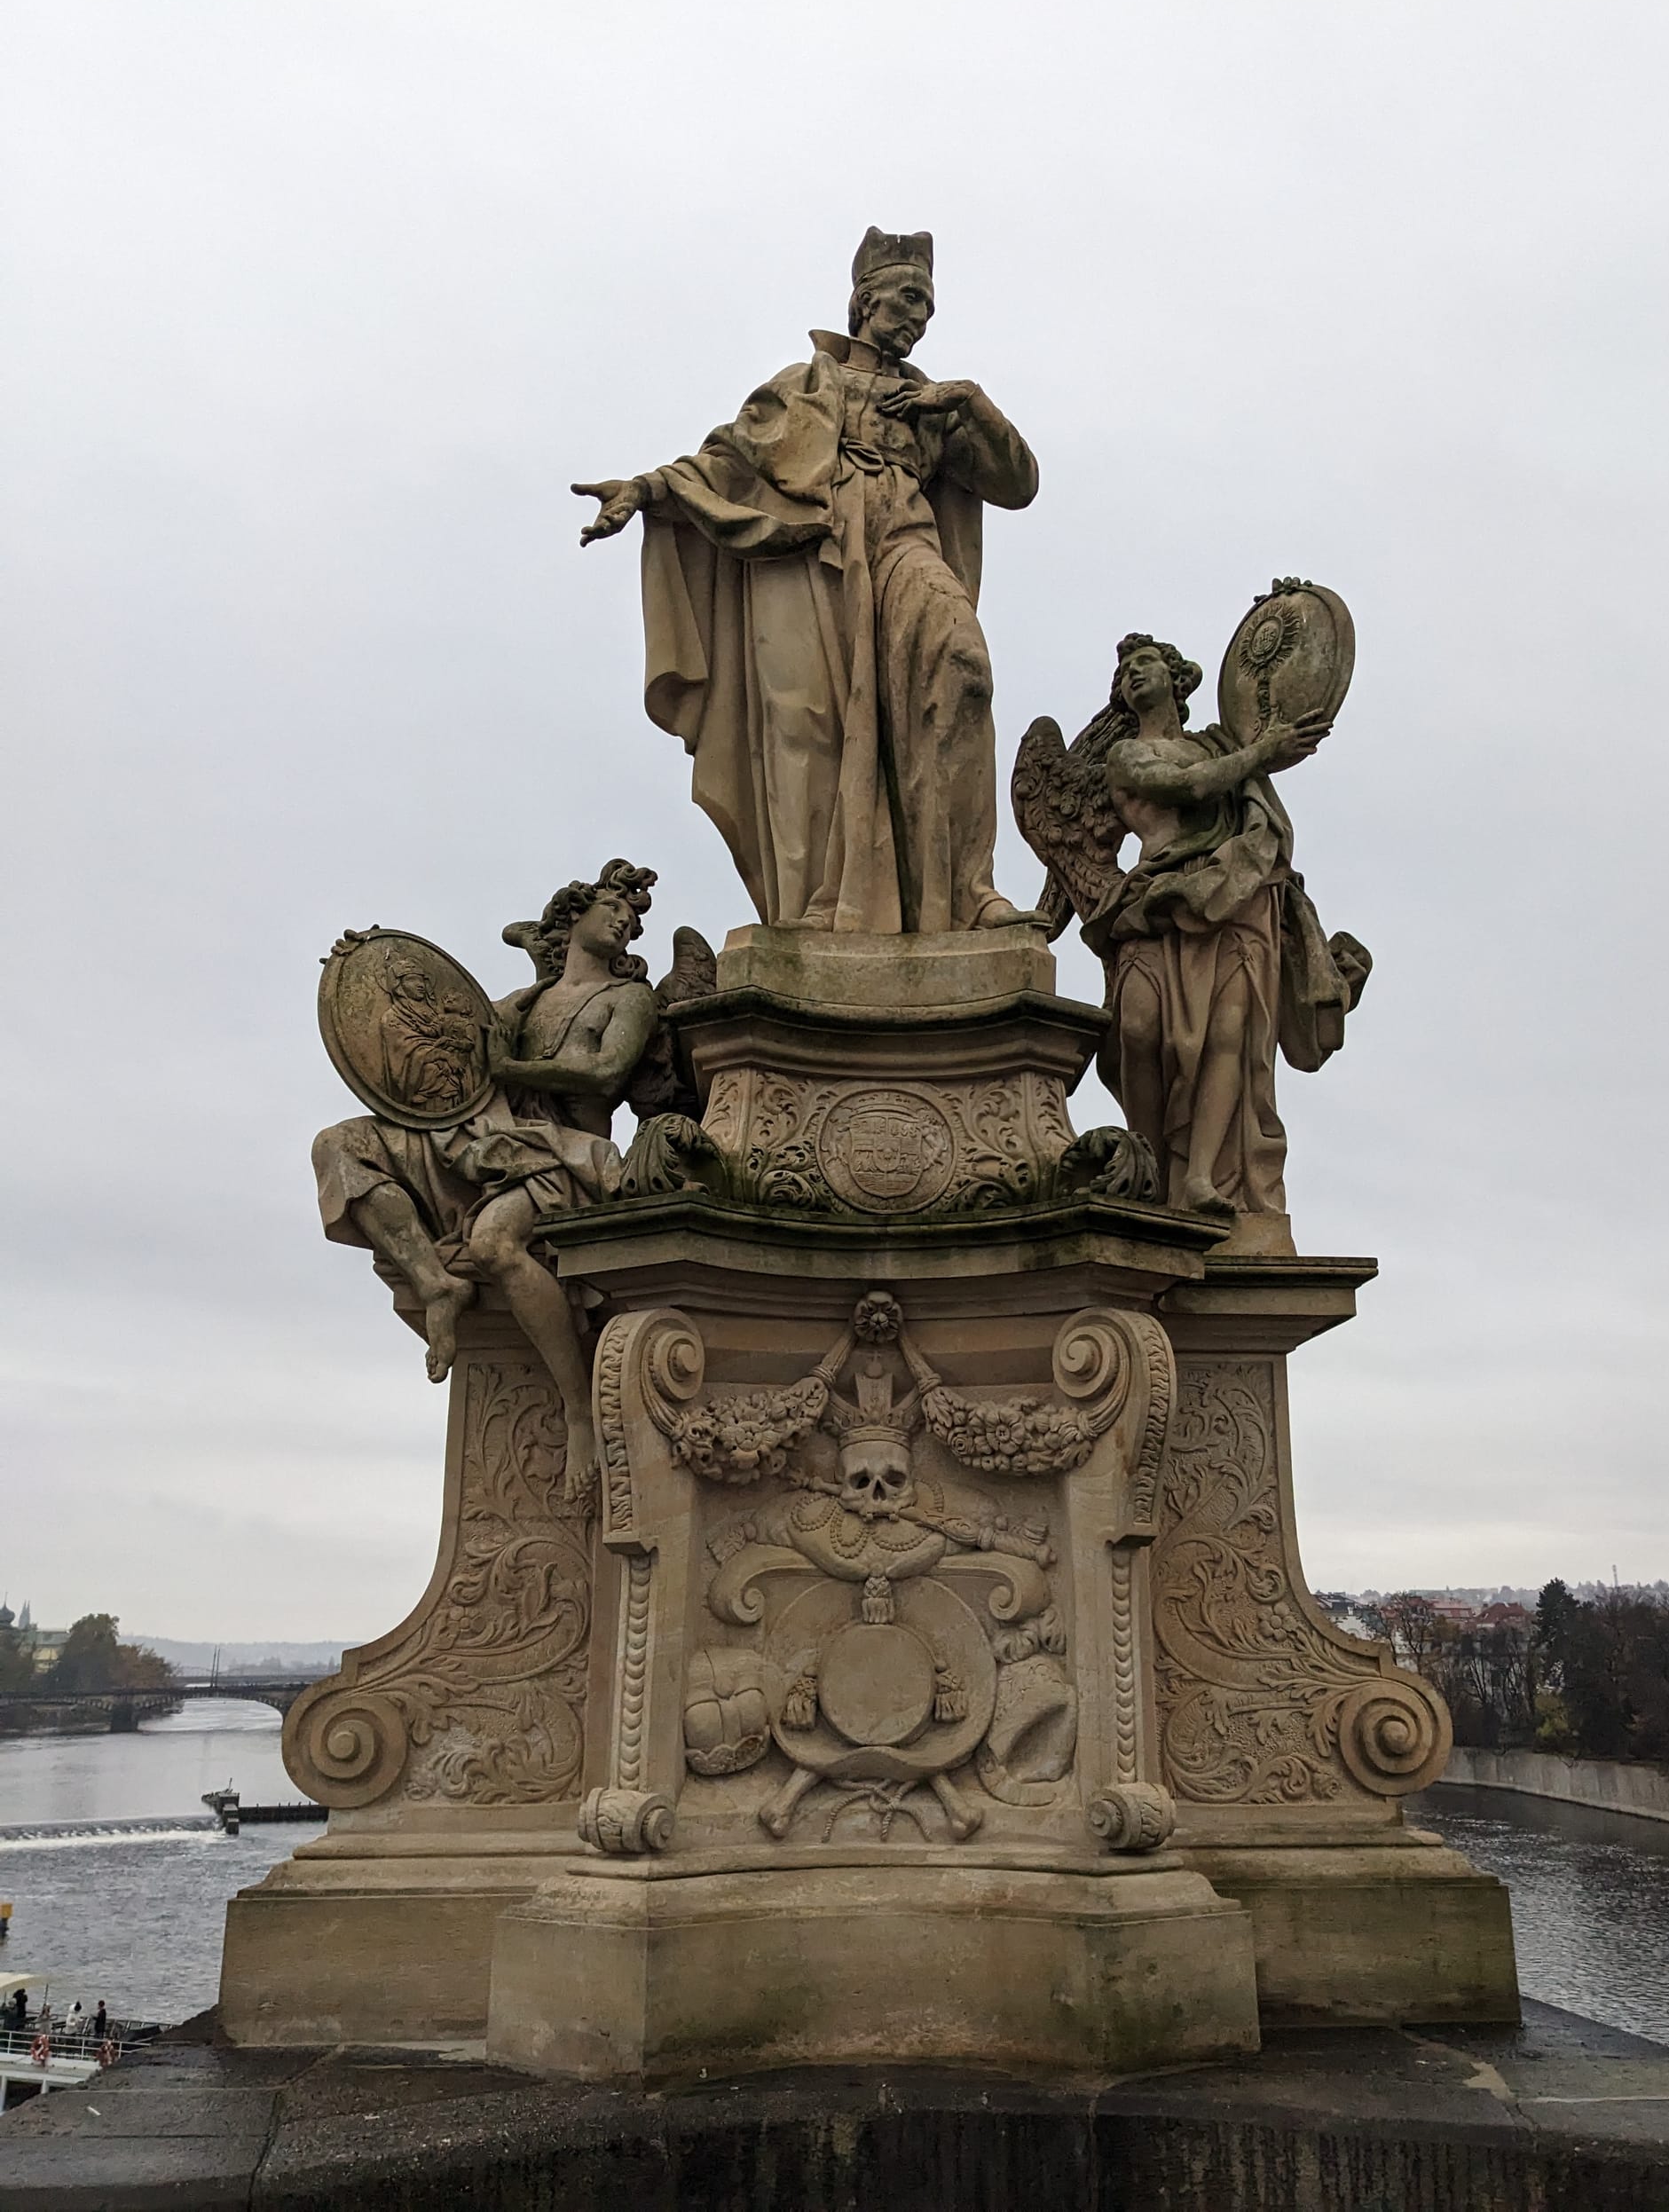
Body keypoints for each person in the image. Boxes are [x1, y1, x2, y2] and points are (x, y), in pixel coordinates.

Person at [575, 229, 1039, 934]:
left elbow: (1018, 484)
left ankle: (968, 890)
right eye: (908, 297)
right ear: (865, 300)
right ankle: (821, 905)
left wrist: (969, 401)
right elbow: (727, 464)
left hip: (904, 544)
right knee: (809, 724)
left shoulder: (935, 405)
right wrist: (645, 489)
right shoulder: (804, 386)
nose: (919, 316)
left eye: (928, 305)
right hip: (812, 554)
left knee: (963, 666)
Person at [313, 865, 660, 1501]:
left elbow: (607, 1073)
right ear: (573, 916)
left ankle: (578, 1413)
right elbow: (446, 1042)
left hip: (562, 1155)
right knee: (339, 1146)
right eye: (612, 907)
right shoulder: (522, 1002)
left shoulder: (628, 999)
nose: (624, 922)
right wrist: (362, 967)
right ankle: (435, 1283)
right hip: (484, 1140)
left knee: (495, 1243)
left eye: (632, 920)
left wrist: (510, 1067)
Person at [1079, 636, 1362, 1227]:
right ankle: (1152, 1170)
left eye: (1145, 663)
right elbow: (1187, 787)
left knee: (1229, 1034)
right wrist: (1262, 751)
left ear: (1177, 678)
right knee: (1137, 1027)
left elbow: (1261, 817)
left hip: (1232, 902)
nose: (1133, 674)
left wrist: (1267, 742)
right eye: (1125, 672)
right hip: (1155, 902)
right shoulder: (1126, 755)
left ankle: (1202, 1175)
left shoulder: (1218, 743)